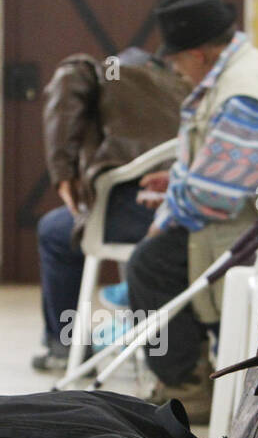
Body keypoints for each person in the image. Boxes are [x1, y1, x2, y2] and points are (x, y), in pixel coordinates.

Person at [126, 0, 258, 422]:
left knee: (150, 263)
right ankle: (196, 376)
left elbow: (214, 196)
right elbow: (219, 171)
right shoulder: (243, 71)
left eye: (176, 63)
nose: (176, 73)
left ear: (198, 55)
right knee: (159, 256)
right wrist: (178, 179)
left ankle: (188, 389)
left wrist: (168, 212)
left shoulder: (242, 93)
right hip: (257, 223)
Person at [32, 46, 188, 372]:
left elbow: (70, 75)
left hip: (139, 211)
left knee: (55, 230)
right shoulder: (189, 86)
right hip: (192, 212)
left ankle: (64, 344)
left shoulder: (104, 77)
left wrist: (63, 175)